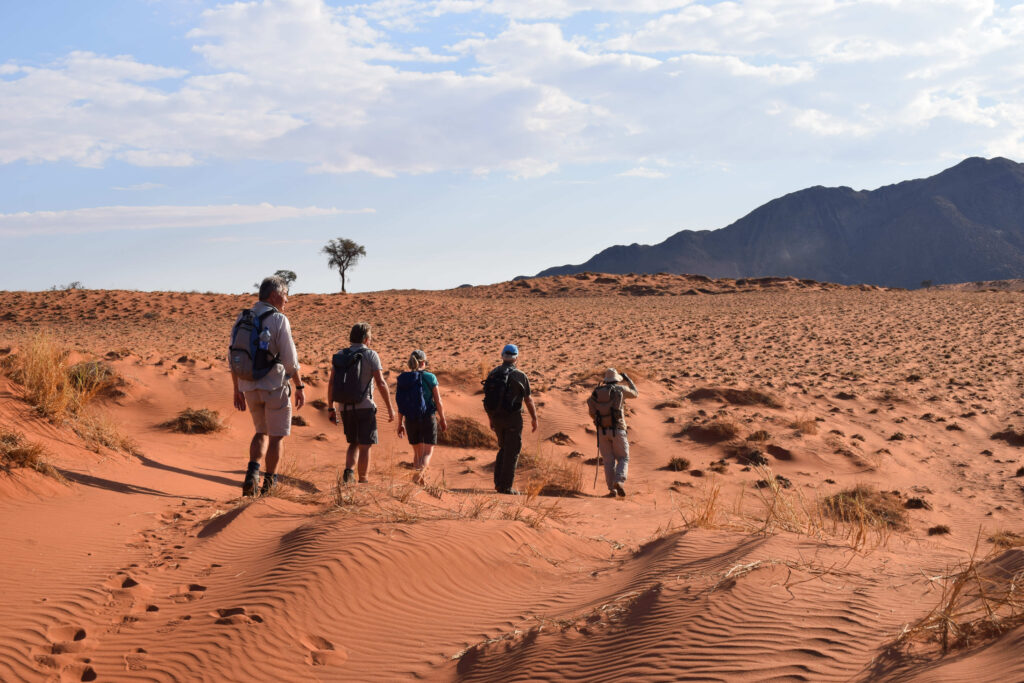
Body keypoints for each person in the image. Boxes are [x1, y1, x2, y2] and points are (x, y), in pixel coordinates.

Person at [230, 275, 305, 497]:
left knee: (260, 432)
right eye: (285, 295)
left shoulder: (243, 317)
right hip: (274, 386)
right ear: (274, 295)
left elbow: (232, 356)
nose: (287, 301)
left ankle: (251, 475)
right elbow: (290, 361)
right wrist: (299, 386)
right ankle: (269, 485)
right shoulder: (279, 319)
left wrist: (237, 388)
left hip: (249, 386)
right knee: (276, 437)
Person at [327, 322, 394, 484]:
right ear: (365, 339)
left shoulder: (341, 354)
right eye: (369, 337)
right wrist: (390, 408)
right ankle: (363, 480)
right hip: (365, 406)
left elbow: (331, 384)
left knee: (353, 443)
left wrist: (331, 407)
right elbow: (381, 383)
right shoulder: (371, 355)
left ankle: (349, 472)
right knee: (365, 445)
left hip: (345, 407)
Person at [482, 344, 537, 494]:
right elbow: (528, 399)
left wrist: (491, 418)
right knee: (512, 451)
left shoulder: (493, 373)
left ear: (502, 356)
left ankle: (499, 483)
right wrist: (534, 418)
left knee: (503, 448)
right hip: (513, 418)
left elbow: (488, 399)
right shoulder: (520, 375)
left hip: (496, 417)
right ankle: (505, 486)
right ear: (516, 358)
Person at [395, 350, 448, 484]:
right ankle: (416, 479)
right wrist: (442, 418)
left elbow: (401, 402)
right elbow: (438, 401)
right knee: (427, 453)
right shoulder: (430, 377)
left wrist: (400, 423)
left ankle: (420, 483)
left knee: (418, 454)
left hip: (410, 418)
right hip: (427, 417)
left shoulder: (404, 379)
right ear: (423, 362)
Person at [587, 368, 638, 497]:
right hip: (618, 429)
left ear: (606, 380)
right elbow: (635, 393)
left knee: (608, 461)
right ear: (616, 379)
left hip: (601, 431)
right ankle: (619, 481)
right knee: (623, 458)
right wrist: (628, 379)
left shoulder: (596, 392)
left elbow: (592, 412)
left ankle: (612, 490)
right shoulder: (620, 389)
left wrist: (600, 423)